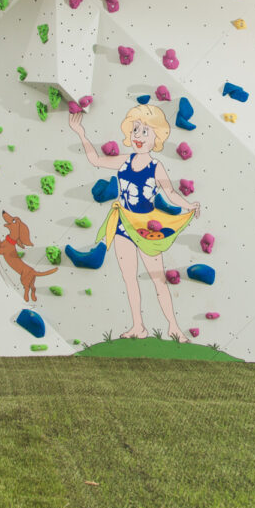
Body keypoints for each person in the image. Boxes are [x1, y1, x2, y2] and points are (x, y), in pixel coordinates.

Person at [68, 104, 200, 341]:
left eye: (145, 132)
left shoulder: (155, 166)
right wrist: (80, 133)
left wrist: (188, 206)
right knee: (130, 280)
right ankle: (138, 326)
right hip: (122, 226)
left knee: (158, 279)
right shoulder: (124, 161)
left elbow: (170, 193)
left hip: (147, 229)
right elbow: (96, 160)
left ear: (156, 138)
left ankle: (173, 327)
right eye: (136, 130)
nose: (138, 136)